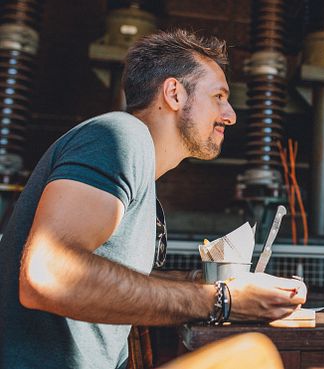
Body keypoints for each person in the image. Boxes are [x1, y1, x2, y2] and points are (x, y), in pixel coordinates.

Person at [0, 29, 306, 369]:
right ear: (174, 93)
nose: (230, 114)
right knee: (253, 358)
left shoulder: (138, 166)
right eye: (219, 96)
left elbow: (122, 280)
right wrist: (221, 299)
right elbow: (47, 276)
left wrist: (212, 283)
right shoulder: (118, 136)